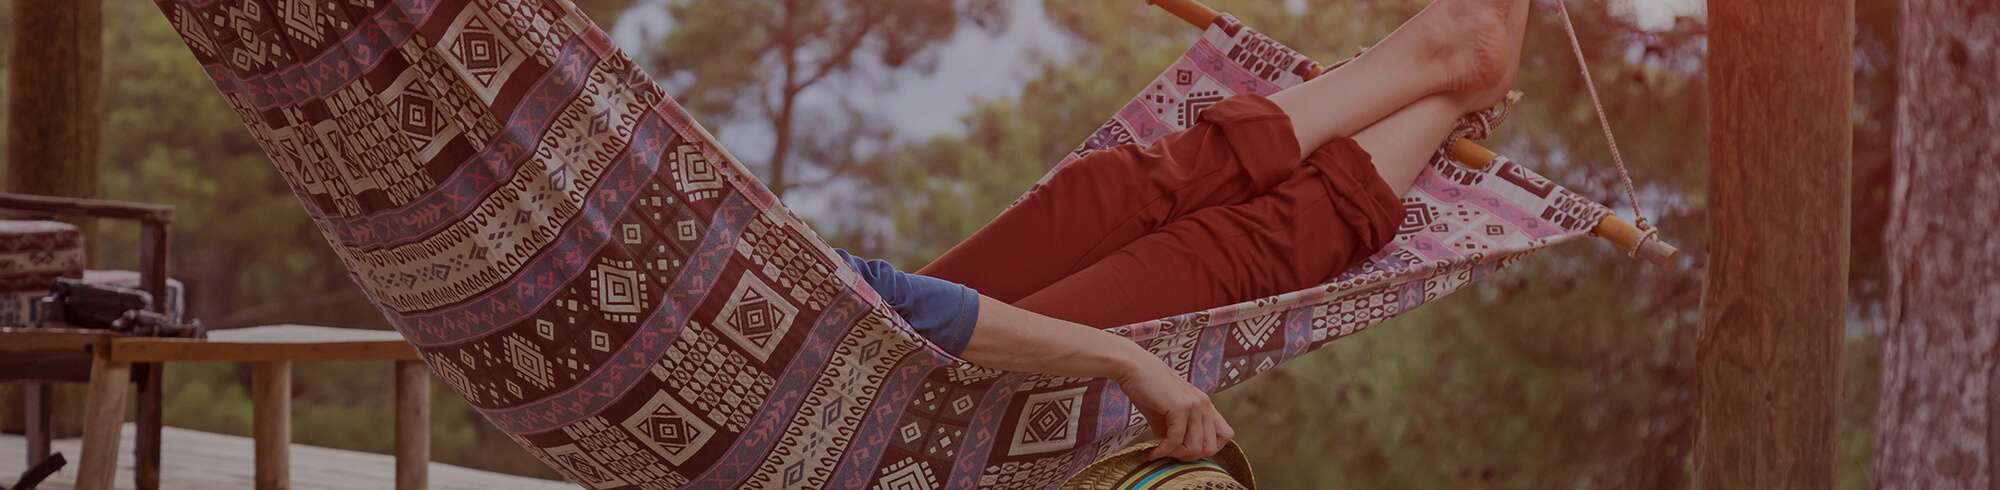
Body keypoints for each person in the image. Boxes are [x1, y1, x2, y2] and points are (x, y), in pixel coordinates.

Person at [834, 0, 1532, 463]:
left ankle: (1443, 74)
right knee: (1197, 266)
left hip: (855, 344)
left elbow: (890, 302)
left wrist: (1128, 361)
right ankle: (1447, 85)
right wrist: (1125, 360)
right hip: (903, 441)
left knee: (1102, 198)